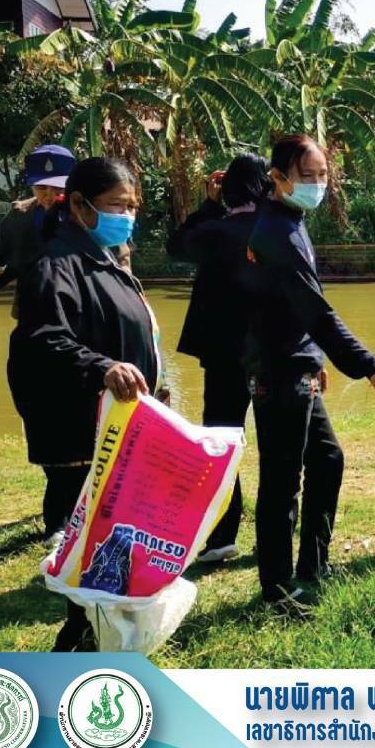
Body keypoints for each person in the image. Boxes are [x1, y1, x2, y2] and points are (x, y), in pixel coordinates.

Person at [242, 134, 375, 611]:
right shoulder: (276, 233)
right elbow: (317, 312)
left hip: (297, 363)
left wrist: (315, 360)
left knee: (328, 460)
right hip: (278, 371)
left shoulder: (291, 221)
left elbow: (293, 309)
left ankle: (313, 564)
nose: (317, 184)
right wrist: (369, 365)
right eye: (306, 176)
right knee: (281, 480)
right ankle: (277, 587)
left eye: (322, 175)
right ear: (278, 178)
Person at [10, 156, 160, 651]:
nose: (127, 216)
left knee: (109, 536)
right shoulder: (56, 264)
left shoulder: (104, 257)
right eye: (117, 205)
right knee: (87, 537)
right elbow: (44, 337)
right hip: (82, 425)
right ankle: (79, 637)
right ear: (78, 204)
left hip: (119, 418)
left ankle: (99, 631)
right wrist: (103, 367)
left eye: (132, 206)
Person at [165, 153, 269, 563]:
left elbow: (176, 245)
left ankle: (223, 534)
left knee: (223, 441)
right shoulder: (277, 228)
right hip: (273, 353)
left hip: (224, 355)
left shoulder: (214, 232)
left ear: (227, 189)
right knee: (278, 445)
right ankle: (275, 534)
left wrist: (209, 204)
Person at [0, 144, 77, 305]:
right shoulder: (19, 218)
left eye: (58, 187)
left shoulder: (89, 216)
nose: (50, 194)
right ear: (32, 186)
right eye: (41, 187)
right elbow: (1, 271)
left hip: (83, 312)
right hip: (34, 312)